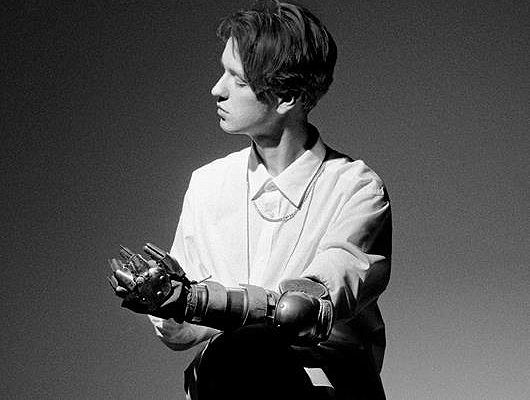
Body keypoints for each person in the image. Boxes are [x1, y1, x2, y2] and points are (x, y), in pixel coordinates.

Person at [109, 1, 392, 399]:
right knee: (230, 354)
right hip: (225, 385)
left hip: (321, 389)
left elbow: (303, 311)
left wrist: (197, 300)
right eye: (223, 71)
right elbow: (181, 336)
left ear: (287, 96)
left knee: (249, 346)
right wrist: (167, 304)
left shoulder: (356, 189)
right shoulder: (208, 184)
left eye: (237, 80)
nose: (217, 89)